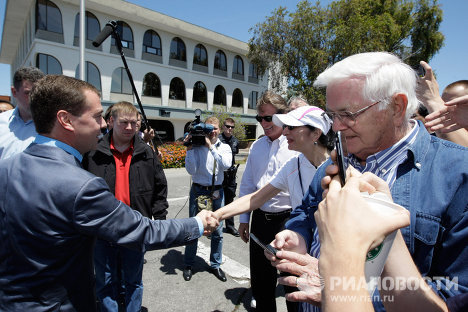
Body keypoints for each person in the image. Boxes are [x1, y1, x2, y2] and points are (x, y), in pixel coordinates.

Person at [0, 75, 218, 311]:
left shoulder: (6, 168)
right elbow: (142, 232)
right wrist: (196, 223)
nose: (103, 125)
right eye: (96, 116)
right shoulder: (80, 185)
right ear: (65, 120)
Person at [271, 52, 468, 312]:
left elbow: (452, 296)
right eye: (332, 115)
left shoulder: (457, 175)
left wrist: (340, 292)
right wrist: (298, 235)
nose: (337, 128)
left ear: (396, 107)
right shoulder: (338, 159)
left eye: (348, 114)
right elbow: (306, 210)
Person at [82, 101, 169, 311]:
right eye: (123, 122)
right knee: (105, 283)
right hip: (103, 230)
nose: (129, 128)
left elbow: (160, 187)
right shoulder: (92, 152)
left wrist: (160, 219)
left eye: (133, 123)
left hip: (135, 229)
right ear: (111, 121)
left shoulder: (147, 153)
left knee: (133, 281)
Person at [237, 91, 299, 311]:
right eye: (260, 118)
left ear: (282, 116)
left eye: (268, 118)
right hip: (260, 220)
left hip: (289, 221)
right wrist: (244, 219)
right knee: (262, 283)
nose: (264, 123)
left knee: (292, 284)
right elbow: (247, 185)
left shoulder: (295, 145)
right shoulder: (257, 146)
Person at [182, 116, 232, 282]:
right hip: (198, 191)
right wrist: (189, 149)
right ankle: (189, 263)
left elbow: (226, 165)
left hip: (216, 192)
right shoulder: (195, 147)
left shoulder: (224, 147)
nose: (212, 132)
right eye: (209, 128)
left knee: (217, 230)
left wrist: (210, 147)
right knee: (193, 228)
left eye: (215, 128)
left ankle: (215, 264)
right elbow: (191, 169)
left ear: (219, 129)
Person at [417, 62, 468, 147]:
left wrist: (433, 100)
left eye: (457, 103)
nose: (446, 108)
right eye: (443, 103)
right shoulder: (431, 142)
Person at [0, 66, 44, 159]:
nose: (35, 98)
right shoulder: (1, 122)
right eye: (28, 93)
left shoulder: (56, 125)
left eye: (39, 92)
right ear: (14, 92)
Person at [219, 117, 241, 237]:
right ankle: (214, 226)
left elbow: (235, 154)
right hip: (219, 175)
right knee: (216, 200)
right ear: (223, 126)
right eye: (227, 126)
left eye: (232, 127)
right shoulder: (217, 139)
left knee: (229, 201)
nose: (230, 129)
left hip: (230, 176)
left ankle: (230, 226)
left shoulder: (235, 141)